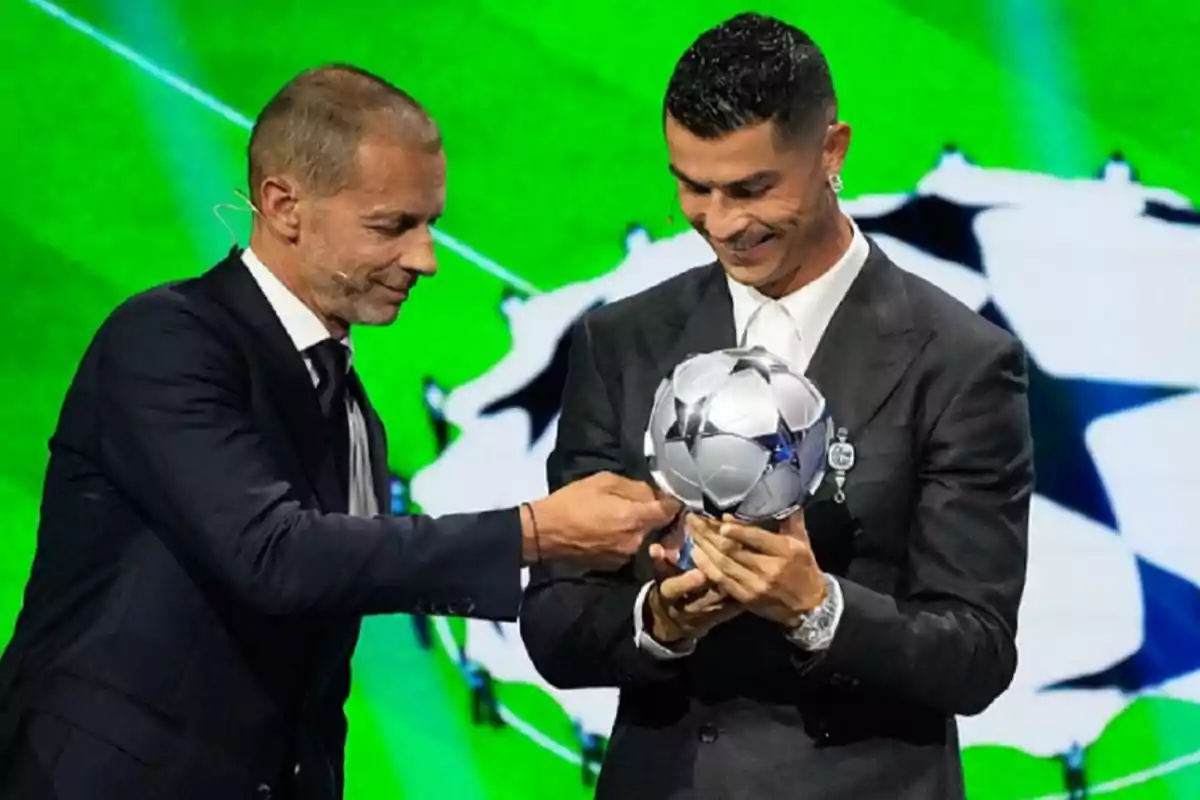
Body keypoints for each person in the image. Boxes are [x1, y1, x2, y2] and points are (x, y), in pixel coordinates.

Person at [0, 65, 678, 800]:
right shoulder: (168, 340)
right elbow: (274, 554)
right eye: (393, 226)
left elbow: (351, 587)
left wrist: (616, 568)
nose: (426, 260)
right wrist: (535, 532)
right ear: (284, 205)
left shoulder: (353, 410)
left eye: (430, 225)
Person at [519, 13, 1033, 800]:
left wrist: (817, 607)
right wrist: (658, 619)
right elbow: (554, 623)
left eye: (753, 188)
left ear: (832, 152)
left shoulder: (960, 361)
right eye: (694, 187)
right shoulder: (619, 342)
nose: (721, 223)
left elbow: (977, 653)